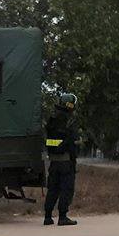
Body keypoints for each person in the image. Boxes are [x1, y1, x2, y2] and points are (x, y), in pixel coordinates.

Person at [44, 93, 80, 226]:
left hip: (54, 162)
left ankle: (48, 217)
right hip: (66, 162)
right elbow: (71, 140)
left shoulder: (52, 120)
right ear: (70, 105)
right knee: (66, 189)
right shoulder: (68, 121)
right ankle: (63, 217)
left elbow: (50, 142)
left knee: (53, 189)